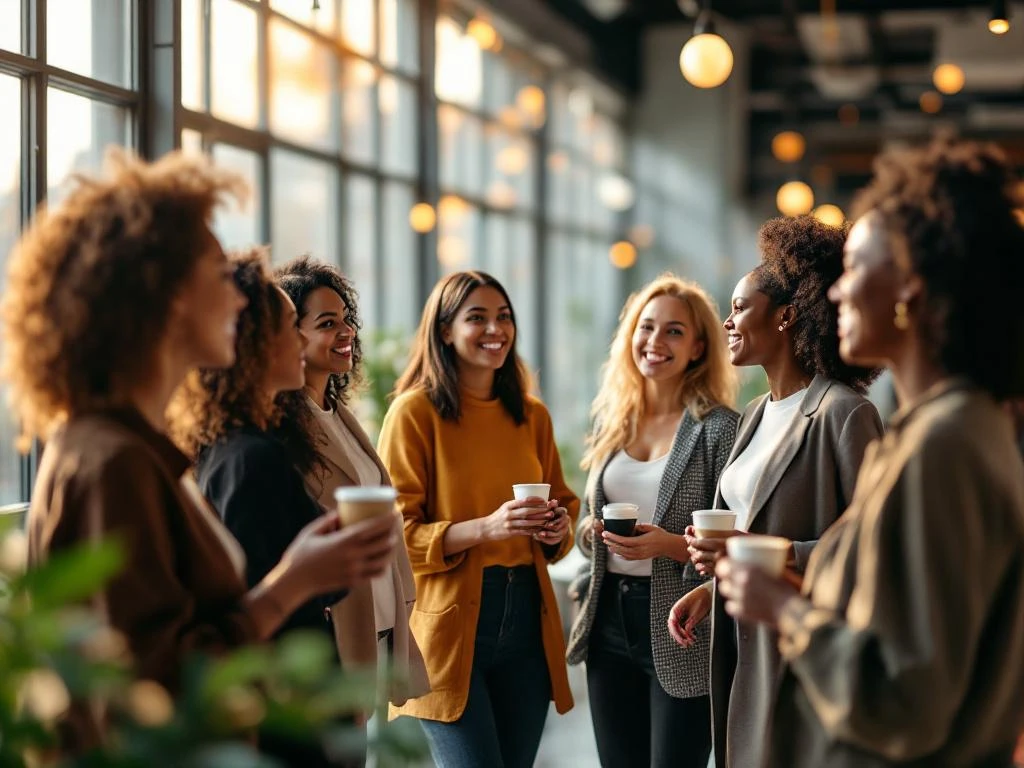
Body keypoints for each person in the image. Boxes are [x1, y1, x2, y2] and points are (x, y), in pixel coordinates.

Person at [1, 151, 393, 752]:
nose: (241, 301)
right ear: (162, 295)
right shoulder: (115, 460)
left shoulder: (128, 445)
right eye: (216, 275)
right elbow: (151, 692)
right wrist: (290, 585)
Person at [716, 137, 1024, 766]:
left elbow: (904, 704)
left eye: (857, 269)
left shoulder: (943, 448)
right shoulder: (951, 428)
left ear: (910, 286)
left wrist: (785, 609)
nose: (832, 295)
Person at [671, 215, 883, 768]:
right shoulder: (754, 414)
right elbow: (743, 522)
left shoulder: (843, 412)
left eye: (740, 306)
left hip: (795, 645)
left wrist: (762, 554)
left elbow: (870, 546)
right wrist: (709, 589)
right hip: (737, 638)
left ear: (787, 315)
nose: (727, 319)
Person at [377, 271, 579, 768]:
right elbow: (393, 536)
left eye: (504, 317)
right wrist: (485, 528)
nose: (496, 329)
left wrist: (557, 530)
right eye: (477, 318)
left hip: (528, 620)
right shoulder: (413, 414)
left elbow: (565, 505)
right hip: (451, 627)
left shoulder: (531, 415)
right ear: (445, 331)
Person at [565, 275, 738, 768]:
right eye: (647, 327)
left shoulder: (719, 429)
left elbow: (736, 540)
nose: (655, 342)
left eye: (674, 331)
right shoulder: (611, 422)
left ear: (699, 347)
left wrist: (669, 545)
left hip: (682, 624)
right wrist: (589, 533)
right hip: (608, 622)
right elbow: (585, 524)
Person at [275, 256, 429, 712]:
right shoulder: (283, 428)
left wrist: (403, 594)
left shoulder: (340, 415)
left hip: (380, 617)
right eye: (327, 323)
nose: (346, 333)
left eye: (347, 321)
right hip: (337, 623)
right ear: (289, 335)